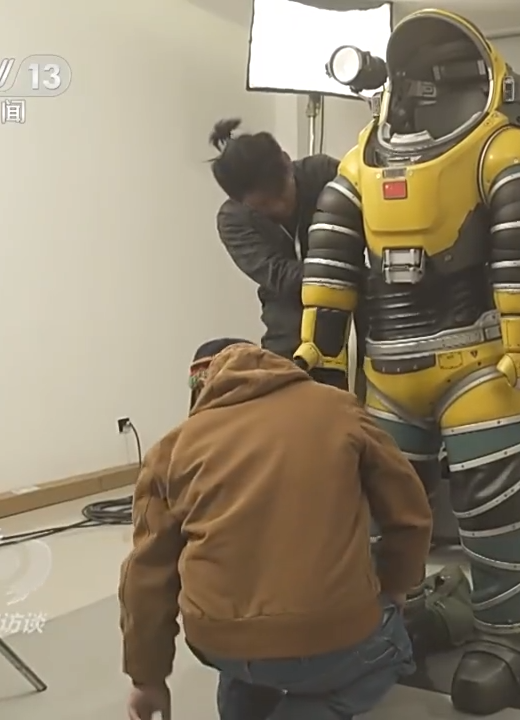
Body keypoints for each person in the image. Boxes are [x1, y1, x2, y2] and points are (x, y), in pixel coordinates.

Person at [120, 339, 432, 720]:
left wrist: (147, 679)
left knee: (243, 647)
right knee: (392, 647)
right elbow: (409, 513)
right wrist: (396, 585)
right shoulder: (339, 410)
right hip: (328, 634)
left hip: (216, 640)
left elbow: (145, 576)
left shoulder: (171, 449)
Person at [209, 119, 358, 391]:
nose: (279, 207)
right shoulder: (233, 220)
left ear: (288, 163)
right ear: (243, 202)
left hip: (359, 326)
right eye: (264, 204)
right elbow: (281, 276)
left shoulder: (325, 174)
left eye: (282, 193)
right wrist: (342, 271)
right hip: (290, 340)